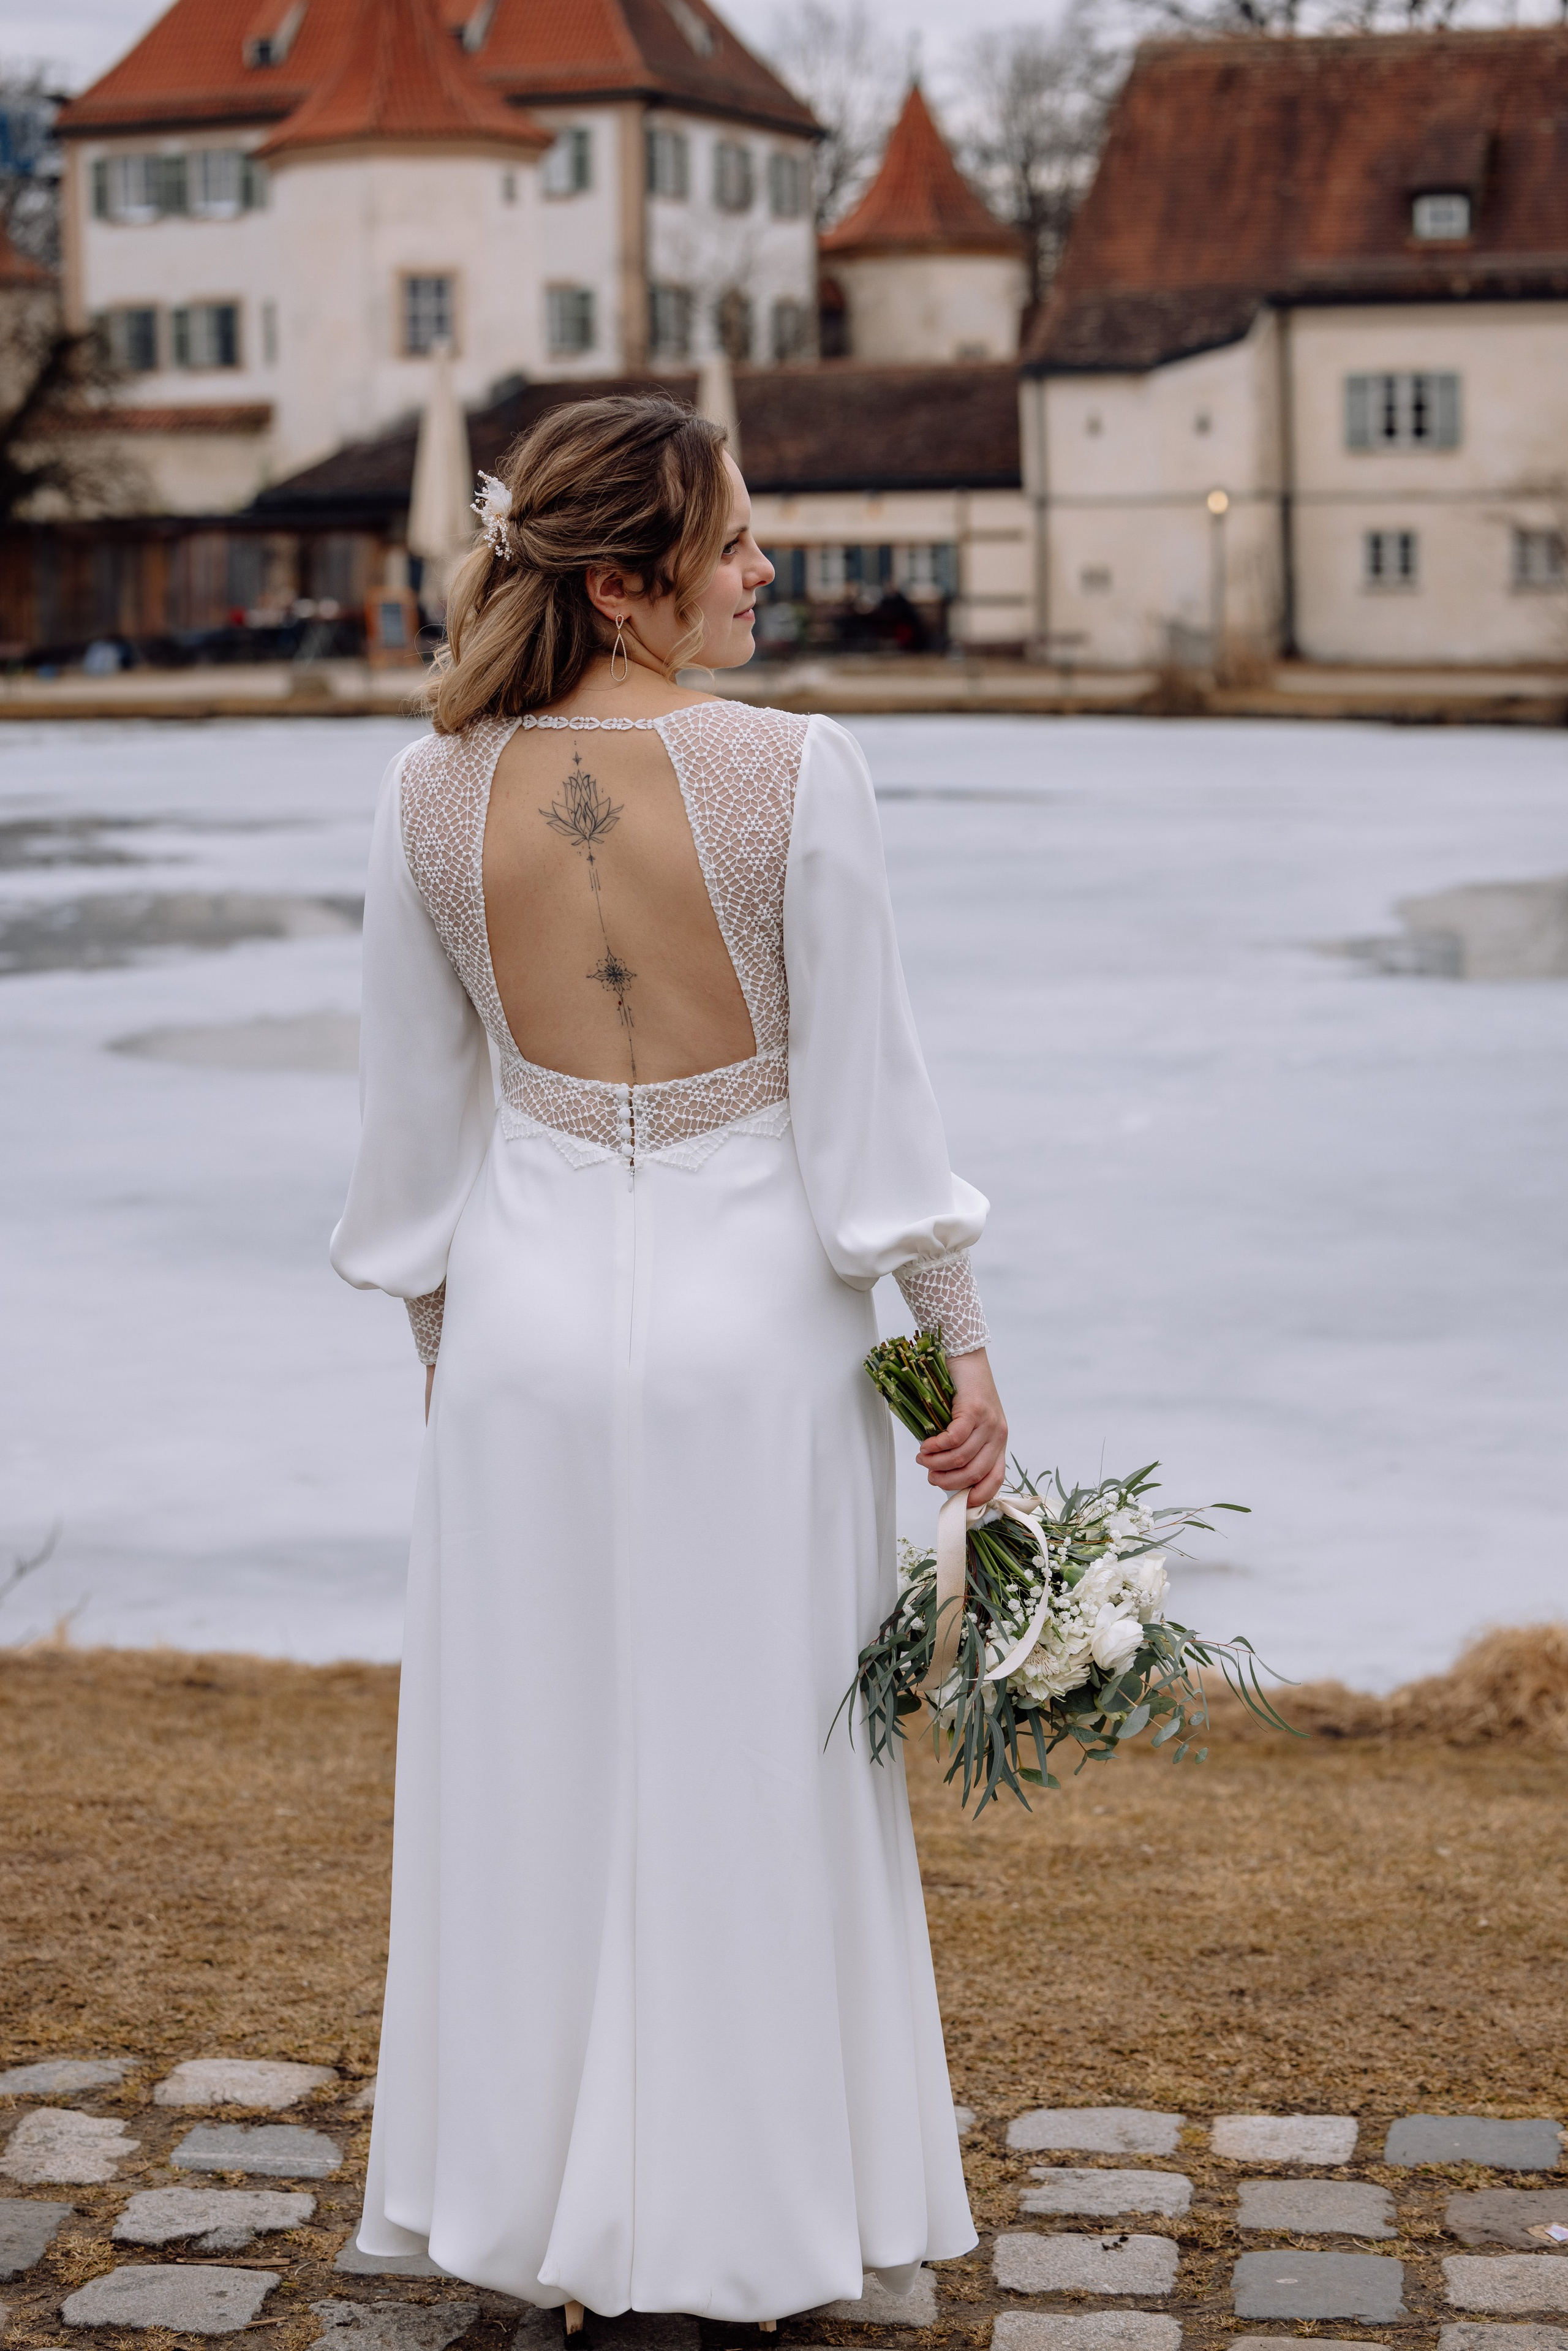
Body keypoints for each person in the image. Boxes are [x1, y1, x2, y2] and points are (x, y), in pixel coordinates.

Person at [330, 396, 1008, 2327]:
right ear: (627, 587)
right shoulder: (799, 770)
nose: (766, 573)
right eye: (733, 548)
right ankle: (748, 2219)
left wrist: (455, 1369)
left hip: (527, 1343)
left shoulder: (425, 792)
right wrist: (960, 1347)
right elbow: (870, 1109)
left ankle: (530, 2212)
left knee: (535, 1769)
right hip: (755, 1344)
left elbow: (407, 1142)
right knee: (756, 1776)